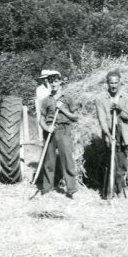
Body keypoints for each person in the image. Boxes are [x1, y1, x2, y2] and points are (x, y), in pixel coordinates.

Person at [38, 70, 80, 198]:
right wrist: (47, 128)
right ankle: (47, 190)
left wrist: (62, 109)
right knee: (49, 162)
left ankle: (71, 190)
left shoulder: (68, 98)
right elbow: (41, 119)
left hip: (64, 130)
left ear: (60, 82)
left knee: (67, 160)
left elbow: (75, 117)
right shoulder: (46, 100)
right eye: (51, 81)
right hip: (50, 132)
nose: (53, 84)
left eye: (55, 81)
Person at [95, 70, 128, 198]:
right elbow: (101, 119)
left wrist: (120, 110)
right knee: (110, 163)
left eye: (116, 83)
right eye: (111, 83)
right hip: (109, 133)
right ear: (107, 83)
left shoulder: (125, 97)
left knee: (121, 163)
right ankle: (109, 192)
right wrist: (107, 135)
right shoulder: (101, 98)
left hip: (123, 134)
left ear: (119, 83)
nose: (114, 85)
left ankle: (119, 189)